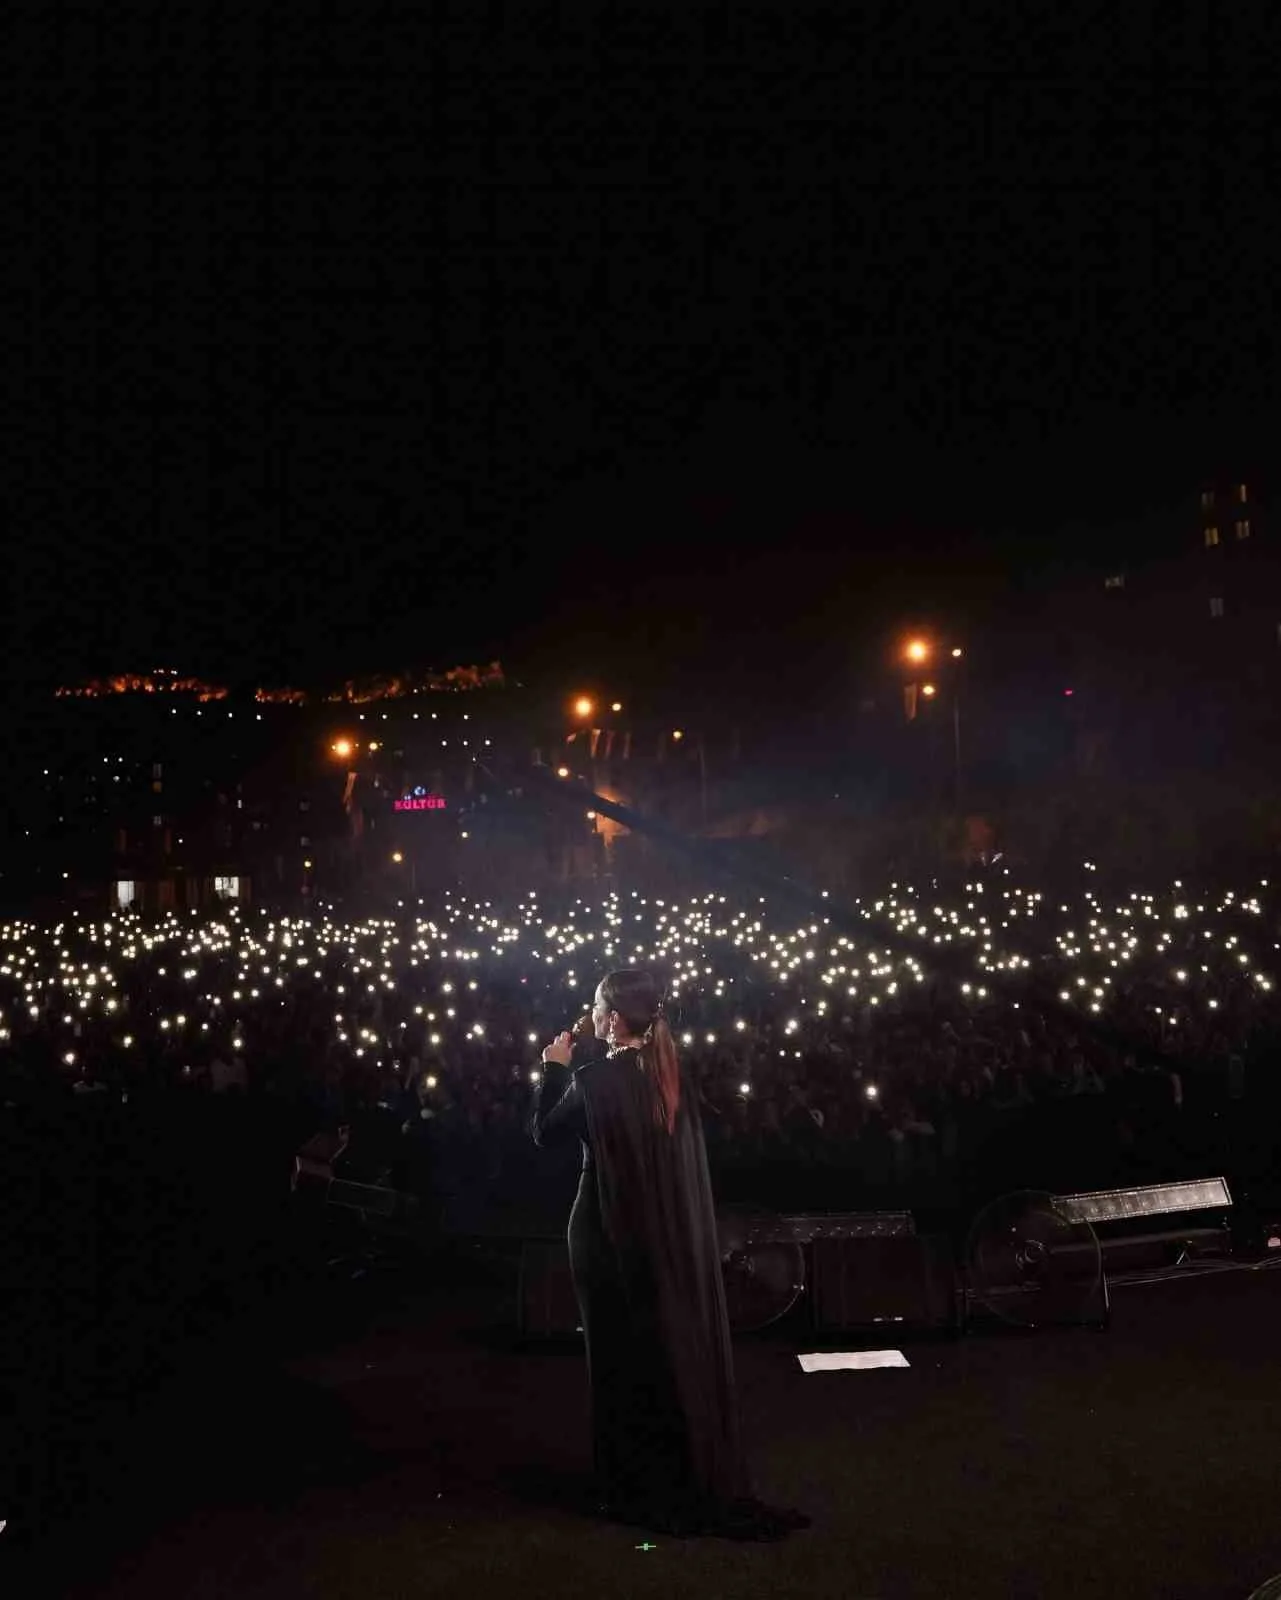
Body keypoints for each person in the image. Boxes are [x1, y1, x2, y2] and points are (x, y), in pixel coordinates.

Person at [528, 967, 810, 1541]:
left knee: (616, 1357)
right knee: (657, 1348)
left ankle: (632, 1485)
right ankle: (668, 1474)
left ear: (610, 1018)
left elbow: (542, 1133)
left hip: (605, 1237)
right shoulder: (669, 1076)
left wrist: (552, 1070)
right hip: (660, 1240)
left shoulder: (594, 1079)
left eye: (597, 1006)